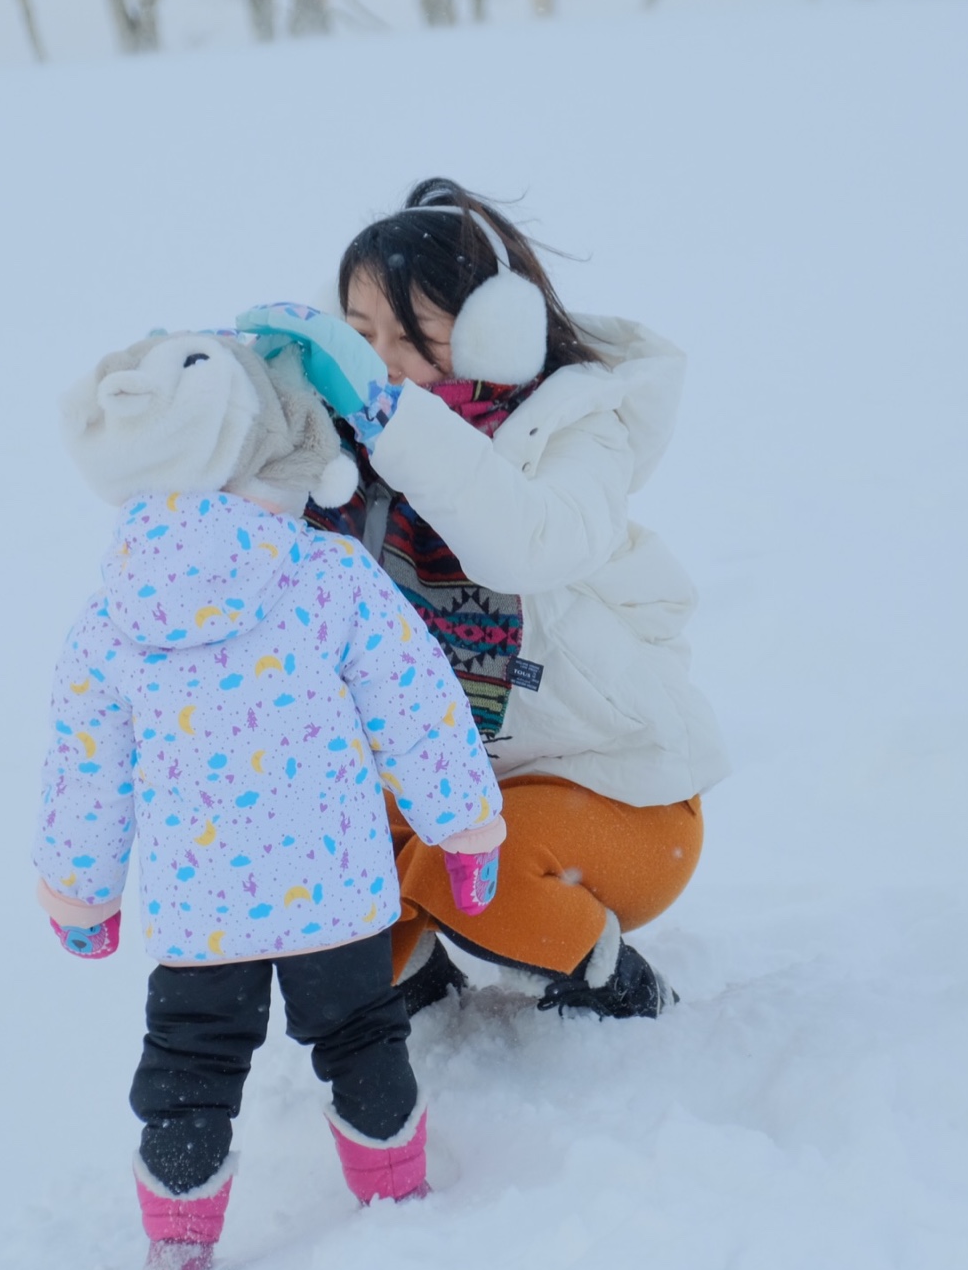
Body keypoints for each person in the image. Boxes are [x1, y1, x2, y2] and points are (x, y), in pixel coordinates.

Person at [32, 328, 507, 1270]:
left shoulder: (112, 613)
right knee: (361, 1033)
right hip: (332, 886)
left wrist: (82, 893)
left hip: (202, 908)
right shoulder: (325, 572)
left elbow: (88, 767)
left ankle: (176, 1243)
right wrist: (462, 823)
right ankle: (395, 1194)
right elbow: (414, 702)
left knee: (189, 1063)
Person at [246, 177, 729, 1022]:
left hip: (621, 803)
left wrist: (391, 416)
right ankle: (421, 993)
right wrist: (231, 418)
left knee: (458, 876)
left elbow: (524, 544)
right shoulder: (351, 465)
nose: (378, 361)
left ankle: (621, 987)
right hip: (454, 797)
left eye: (411, 337)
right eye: (358, 337)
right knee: (323, 855)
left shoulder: (580, 432)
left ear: (494, 335)